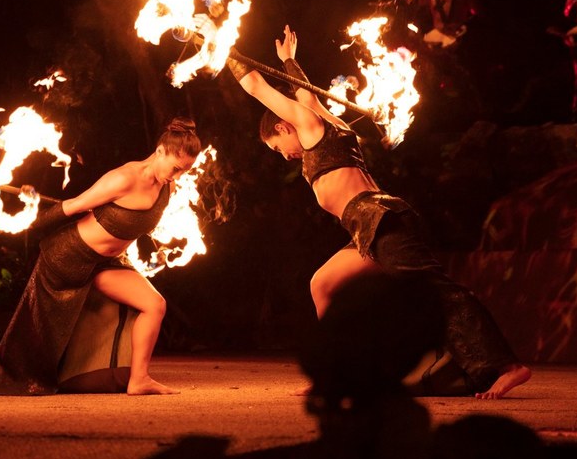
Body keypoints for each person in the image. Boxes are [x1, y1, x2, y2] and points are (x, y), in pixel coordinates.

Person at [226, 27, 531, 399]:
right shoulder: (325, 121)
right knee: (321, 284)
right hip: (367, 228)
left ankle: (508, 366)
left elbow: (256, 87)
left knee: (439, 293)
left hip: (381, 220)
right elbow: (306, 93)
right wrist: (290, 61)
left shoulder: (309, 127)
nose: (284, 154)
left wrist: (219, 45)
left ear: (282, 126)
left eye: (278, 146)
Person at [0, 118, 201, 396]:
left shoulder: (166, 186)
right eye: (176, 168)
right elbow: (74, 206)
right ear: (160, 152)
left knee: (154, 305)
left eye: (185, 171)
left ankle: (139, 379)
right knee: (39, 337)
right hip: (70, 257)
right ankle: (11, 377)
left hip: (106, 263)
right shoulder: (124, 179)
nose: (178, 176)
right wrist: (22, 224)